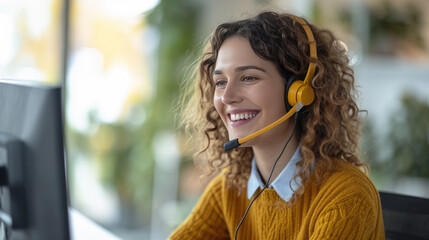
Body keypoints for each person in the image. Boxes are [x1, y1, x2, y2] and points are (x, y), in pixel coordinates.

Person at [170, 11, 385, 239]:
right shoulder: (229, 189)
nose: (226, 97)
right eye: (221, 82)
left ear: (297, 93)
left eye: (248, 78)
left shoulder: (346, 196)